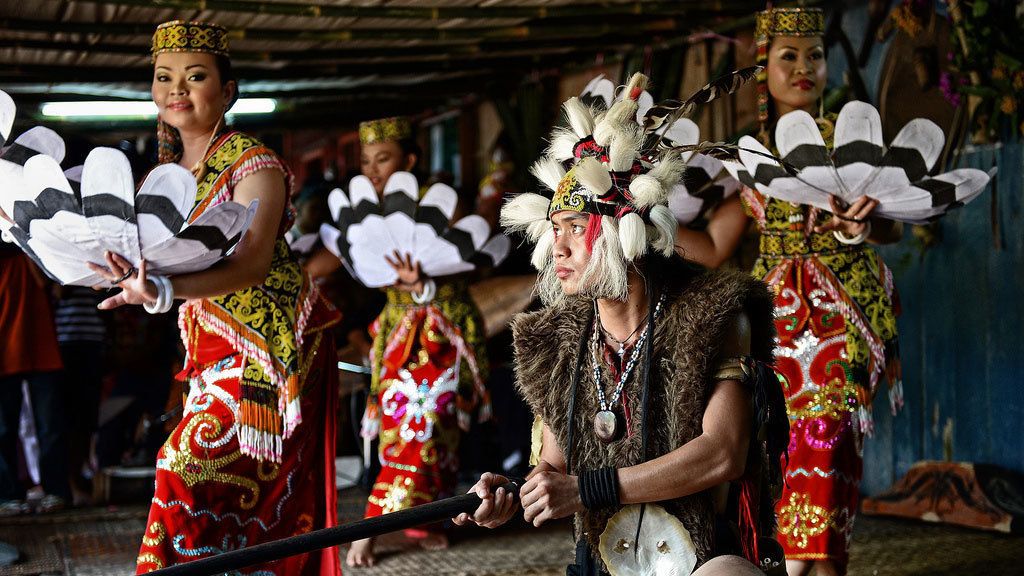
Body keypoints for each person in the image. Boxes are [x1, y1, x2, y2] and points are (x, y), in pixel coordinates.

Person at [456, 73, 788, 576]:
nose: (558, 248)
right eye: (555, 230)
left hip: (701, 559)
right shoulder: (557, 342)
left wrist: (592, 488)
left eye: (575, 229)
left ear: (618, 232)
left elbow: (723, 454)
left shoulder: (712, 315)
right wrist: (510, 494)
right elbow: (553, 468)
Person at [85, 21, 341, 574]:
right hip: (211, 345)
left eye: (195, 76)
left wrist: (163, 288)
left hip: (274, 350)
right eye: (164, 77)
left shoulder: (257, 164)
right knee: (207, 487)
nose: (177, 88)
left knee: (186, 468)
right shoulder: (165, 177)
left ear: (227, 91)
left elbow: (248, 263)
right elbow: (156, 264)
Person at [673, 8, 903, 576]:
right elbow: (712, 247)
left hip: (838, 323)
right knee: (784, 447)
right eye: (788, 56)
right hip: (775, 327)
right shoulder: (748, 157)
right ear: (763, 67)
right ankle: (820, 566)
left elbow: (895, 222)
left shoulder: (851, 140)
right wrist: (640, 219)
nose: (804, 67)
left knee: (826, 439)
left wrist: (859, 227)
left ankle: (800, 564)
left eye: (815, 55)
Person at [337, 117, 491, 567]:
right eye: (366, 162)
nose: (374, 170)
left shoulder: (443, 206)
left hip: (442, 335)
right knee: (394, 432)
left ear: (409, 159)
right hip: (396, 338)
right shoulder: (368, 214)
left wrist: (423, 284)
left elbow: (473, 264)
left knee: (430, 430)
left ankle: (418, 521)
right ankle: (381, 522)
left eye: (383, 159)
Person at [0, 244, 70, 515]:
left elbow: (56, 289)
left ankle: (55, 491)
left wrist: (26, 246)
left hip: (42, 348)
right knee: (4, 428)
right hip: (5, 350)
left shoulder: (37, 247)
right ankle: (7, 495)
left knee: (50, 425)